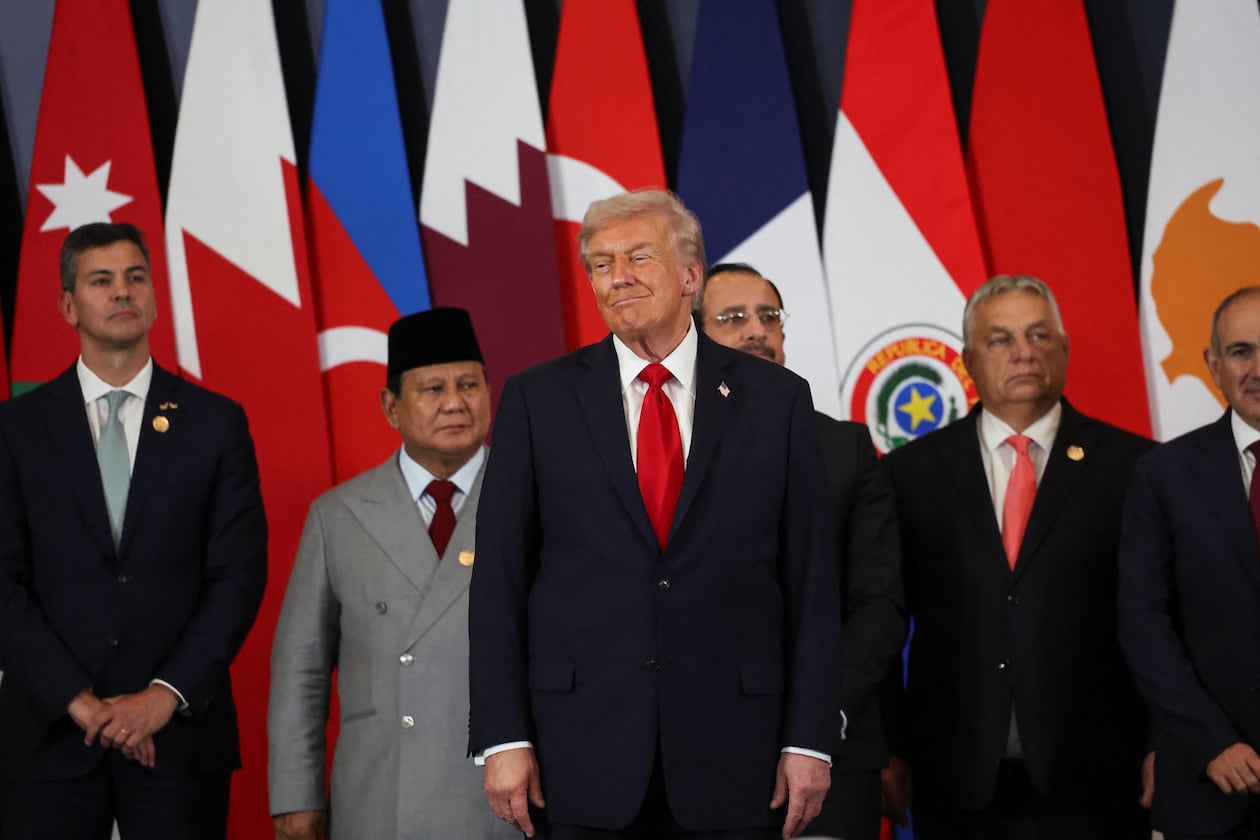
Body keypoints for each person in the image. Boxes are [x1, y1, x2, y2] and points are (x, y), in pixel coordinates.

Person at [468, 189, 842, 839]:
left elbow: (810, 580)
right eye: (601, 264)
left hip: (737, 752)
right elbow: (500, 579)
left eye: (639, 257)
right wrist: (502, 736)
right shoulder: (538, 399)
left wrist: (810, 739)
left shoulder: (777, 400)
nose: (618, 277)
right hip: (579, 753)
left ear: (692, 276)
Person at [0, 222, 267, 839]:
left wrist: (160, 699)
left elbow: (238, 575)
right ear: (68, 305)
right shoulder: (15, 430)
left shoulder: (216, 423)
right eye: (101, 280)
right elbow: (2, 584)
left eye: (135, 277)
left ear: (153, 293)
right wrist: (81, 703)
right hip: (47, 741)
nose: (123, 292)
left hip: (178, 740)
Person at [881, 274, 1153, 838]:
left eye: (1038, 335)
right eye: (1001, 339)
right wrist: (888, 746)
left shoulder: (1137, 468)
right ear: (969, 359)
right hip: (954, 774)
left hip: (1099, 775)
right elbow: (880, 621)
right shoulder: (910, 475)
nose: (1024, 352)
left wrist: (1164, 742)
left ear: (1065, 348)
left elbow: (1163, 623)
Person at [268, 307, 515, 840]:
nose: (455, 402)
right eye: (432, 389)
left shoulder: (530, 497)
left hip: (504, 790)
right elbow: (301, 668)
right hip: (379, 787)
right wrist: (295, 793)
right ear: (390, 407)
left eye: (469, 384)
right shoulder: (338, 514)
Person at [695, 263, 905, 840]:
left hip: (831, 748)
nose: (756, 331)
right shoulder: (663, 447)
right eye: (733, 318)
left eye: (769, 317)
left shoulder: (845, 447)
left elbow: (880, 604)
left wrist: (818, 715)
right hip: (699, 751)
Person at [1118, 286, 1260, 840]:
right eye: (1241, 351)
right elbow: (1144, 626)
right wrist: (1212, 743)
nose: (1256, 368)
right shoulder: (1163, 475)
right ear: (1213, 365)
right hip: (1205, 789)